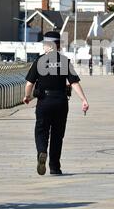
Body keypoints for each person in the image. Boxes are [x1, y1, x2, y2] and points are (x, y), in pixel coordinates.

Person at [23, 31, 89, 175]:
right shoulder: (64, 61)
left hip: (44, 101)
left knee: (41, 131)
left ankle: (41, 151)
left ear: (48, 45)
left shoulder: (39, 61)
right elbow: (74, 82)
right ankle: (54, 167)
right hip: (60, 102)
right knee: (57, 135)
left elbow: (29, 83)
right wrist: (84, 100)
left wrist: (27, 96)